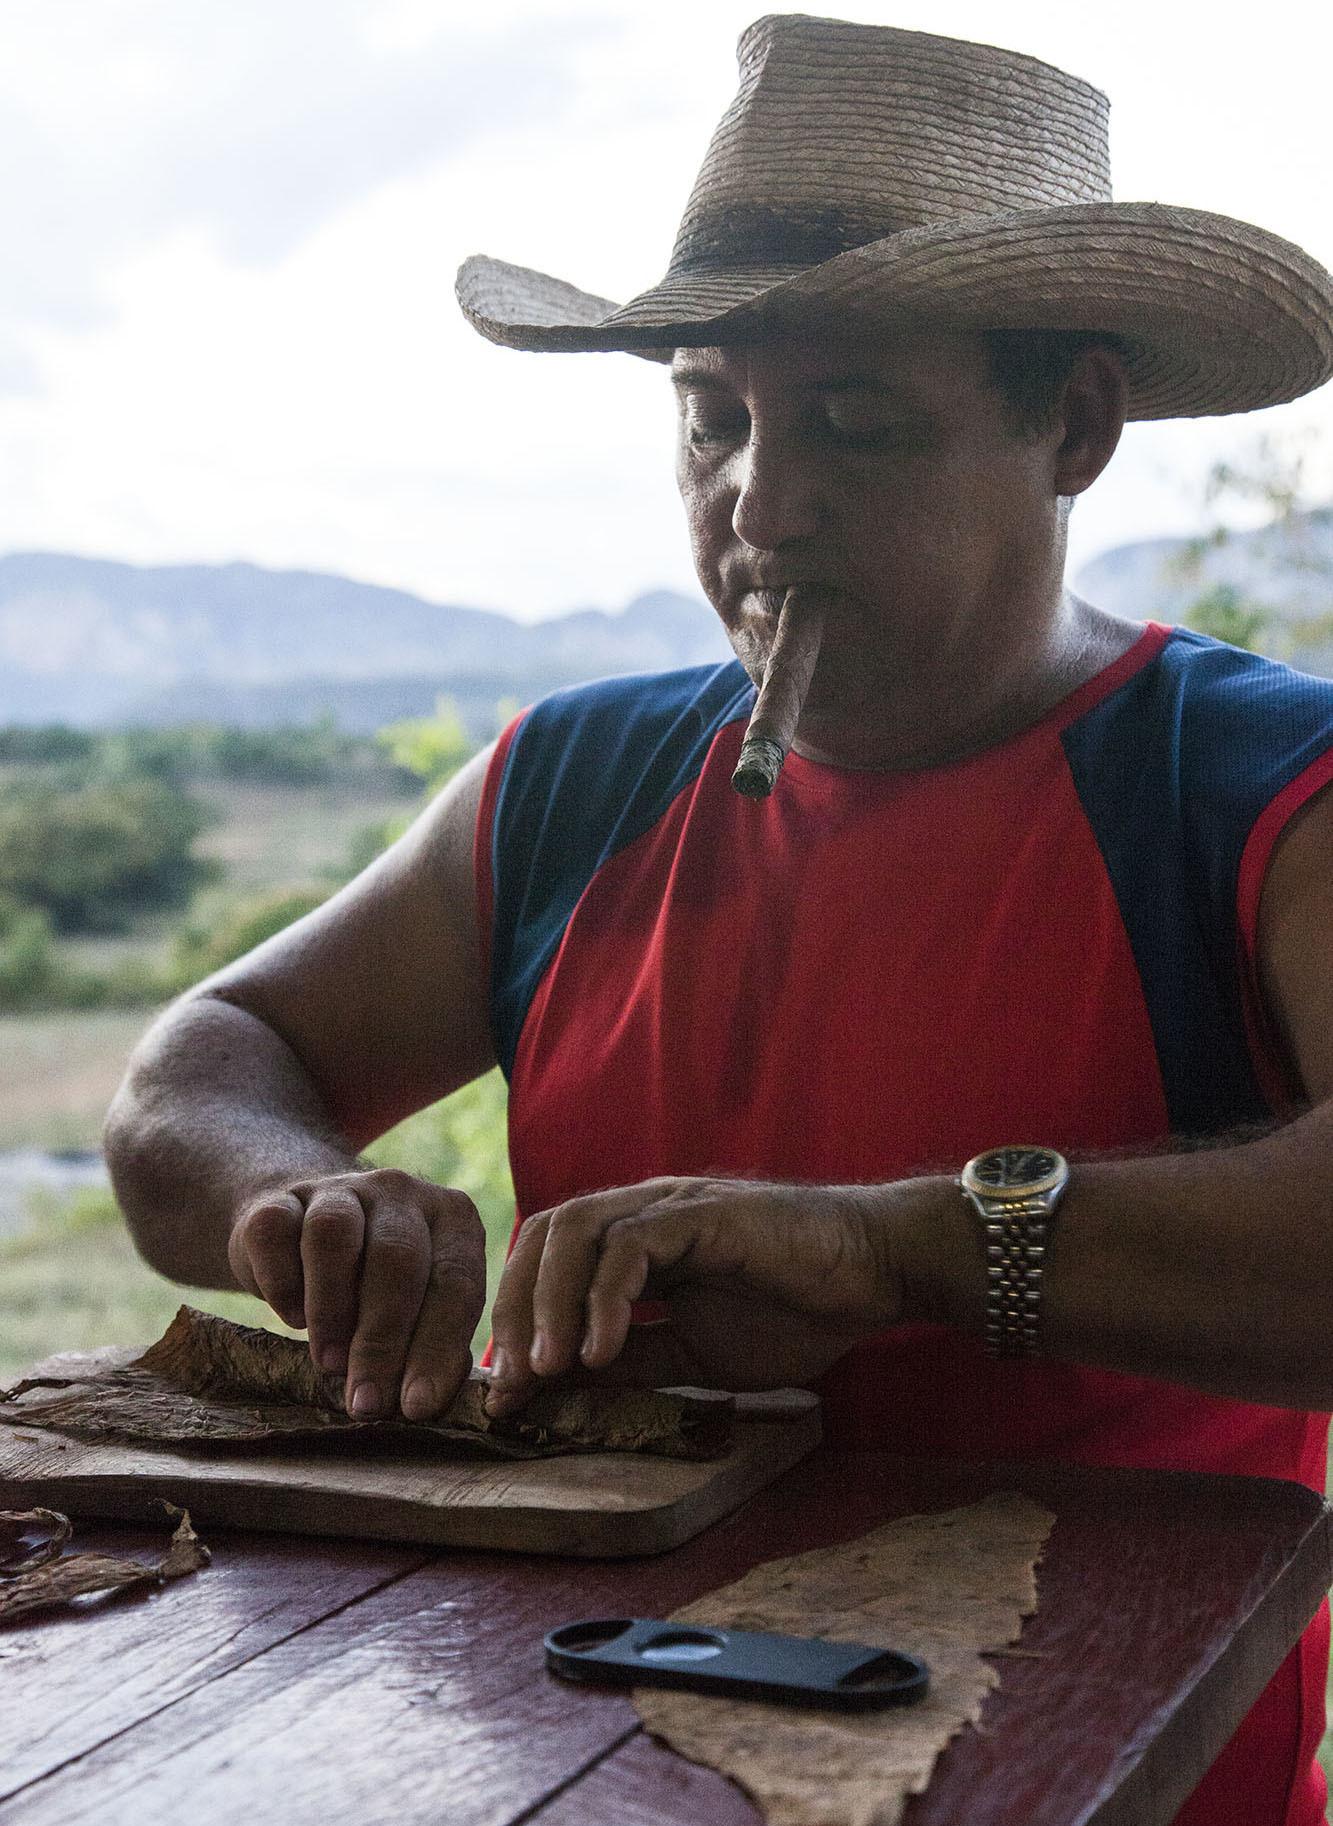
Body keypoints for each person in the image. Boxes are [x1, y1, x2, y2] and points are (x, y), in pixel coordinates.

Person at [104, 18, 1333, 1825]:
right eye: (710, 417)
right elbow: (192, 1079)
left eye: (851, 424)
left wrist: (895, 1251)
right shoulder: (570, 780)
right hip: (584, 1774)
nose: (758, 505)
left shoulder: (1252, 793)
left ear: (1069, 423)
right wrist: (297, 1197)